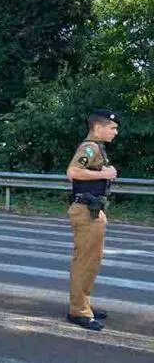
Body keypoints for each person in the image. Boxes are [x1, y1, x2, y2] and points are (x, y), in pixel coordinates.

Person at [65, 109, 119, 331]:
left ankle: (83, 304)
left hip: (93, 210)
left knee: (92, 262)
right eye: (113, 127)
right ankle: (78, 311)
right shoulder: (90, 146)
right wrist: (104, 174)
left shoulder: (98, 148)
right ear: (98, 127)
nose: (116, 132)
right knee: (85, 262)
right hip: (86, 210)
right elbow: (73, 172)